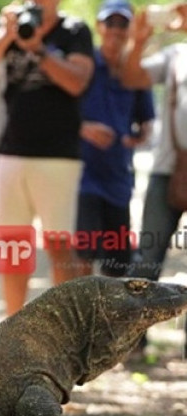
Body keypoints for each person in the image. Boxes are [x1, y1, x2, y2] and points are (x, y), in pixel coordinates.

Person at [0, 0, 94, 316]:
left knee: (59, 246)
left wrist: (38, 48)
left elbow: (77, 82)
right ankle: (13, 331)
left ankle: (66, 332)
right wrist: (6, 36)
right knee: (11, 247)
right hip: (11, 153)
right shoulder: (8, 25)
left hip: (58, 156)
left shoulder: (74, 31)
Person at [119, 3, 187, 354]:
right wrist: (139, 40)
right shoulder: (175, 54)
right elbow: (131, 77)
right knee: (148, 256)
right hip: (167, 169)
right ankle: (134, 341)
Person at [77, 0, 154, 278]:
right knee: (82, 253)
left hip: (118, 178)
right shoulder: (83, 64)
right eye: (111, 23)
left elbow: (146, 119)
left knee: (118, 263)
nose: (117, 31)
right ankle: (82, 318)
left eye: (124, 24)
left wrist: (140, 136)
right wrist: (84, 128)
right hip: (83, 177)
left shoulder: (134, 71)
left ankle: (112, 319)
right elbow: (61, 115)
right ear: (100, 26)